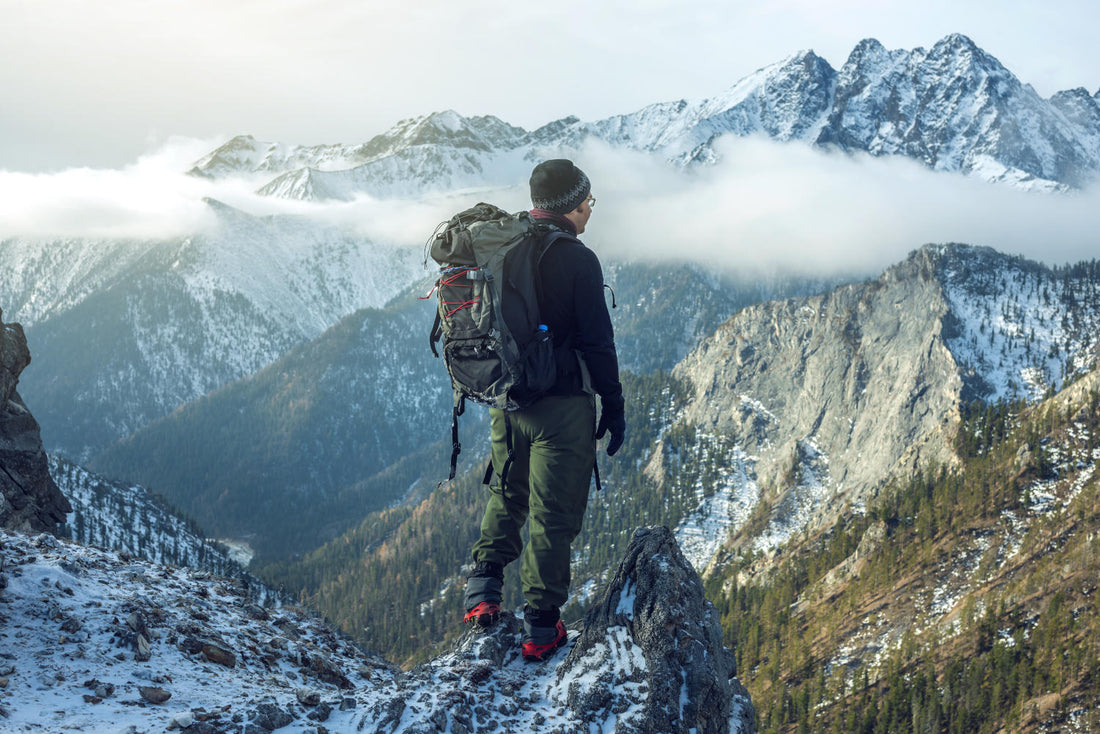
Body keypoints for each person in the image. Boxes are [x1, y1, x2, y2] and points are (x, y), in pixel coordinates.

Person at [462, 159, 626, 662]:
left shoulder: (503, 246)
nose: (590, 212)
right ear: (570, 206)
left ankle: (482, 595)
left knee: (507, 491)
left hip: (506, 401)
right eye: (587, 203)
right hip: (562, 407)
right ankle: (541, 628)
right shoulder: (579, 260)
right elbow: (598, 343)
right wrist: (614, 405)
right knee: (552, 515)